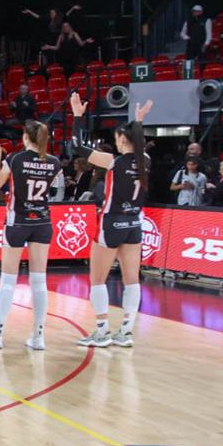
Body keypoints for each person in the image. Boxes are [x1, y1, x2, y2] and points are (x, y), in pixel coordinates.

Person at [69, 92, 153, 348]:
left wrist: (77, 117)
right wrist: (139, 121)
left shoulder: (113, 161)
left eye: (117, 138)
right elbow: (138, 143)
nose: (115, 142)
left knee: (97, 279)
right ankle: (125, 331)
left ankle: (102, 331)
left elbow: (77, 146)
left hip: (112, 222)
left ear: (123, 139)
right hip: (133, 224)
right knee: (131, 280)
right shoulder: (145, 160)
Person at [0, 121, 63, 351]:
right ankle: (38, 336)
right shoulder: (54, 162)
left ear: (25, 137)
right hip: (42, 221)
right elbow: (56, 190)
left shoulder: (15, 159)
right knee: (39, 281)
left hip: (17, 221)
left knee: (8, 280)